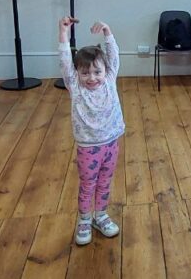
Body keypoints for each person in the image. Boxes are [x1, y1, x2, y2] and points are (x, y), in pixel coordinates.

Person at [59, 17, 124, 245]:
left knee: (105, 181)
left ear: (106, 71)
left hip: (111, 143)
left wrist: (107, 31)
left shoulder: (110, 79)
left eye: (97, 72)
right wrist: (63, 33)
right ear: (77, 73)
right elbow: (65, 60)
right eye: (85, 73)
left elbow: (113, 55)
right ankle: (85, 220)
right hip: (88, 147)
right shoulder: (75, 86)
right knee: (88, 184)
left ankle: (101, 216)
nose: (92, 78)